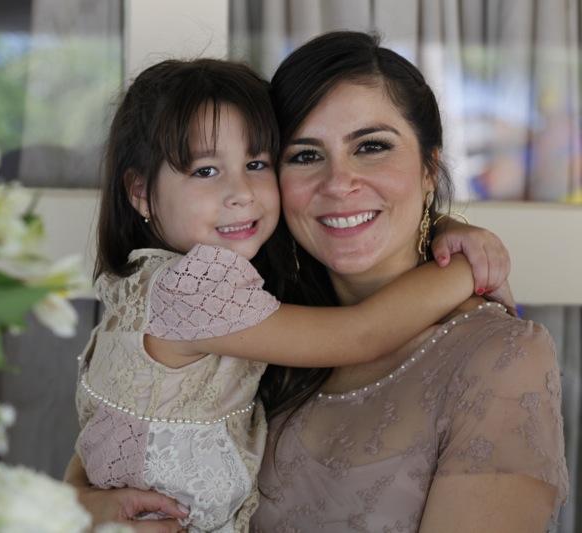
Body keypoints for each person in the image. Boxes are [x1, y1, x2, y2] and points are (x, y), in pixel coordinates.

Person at [70, 56, 515, 532]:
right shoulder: (194, 287)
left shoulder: (153, 278)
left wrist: (442, 227)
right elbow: (359, 335)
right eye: (205, 170)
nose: (241, 192)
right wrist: (467, 271)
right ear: (140, 192)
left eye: (256, 164)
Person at [251, 32, 568, 531]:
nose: (338, 183)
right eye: (305, 155)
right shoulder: (258, 327)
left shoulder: (500, 357)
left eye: (371, 147)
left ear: (428, 170)